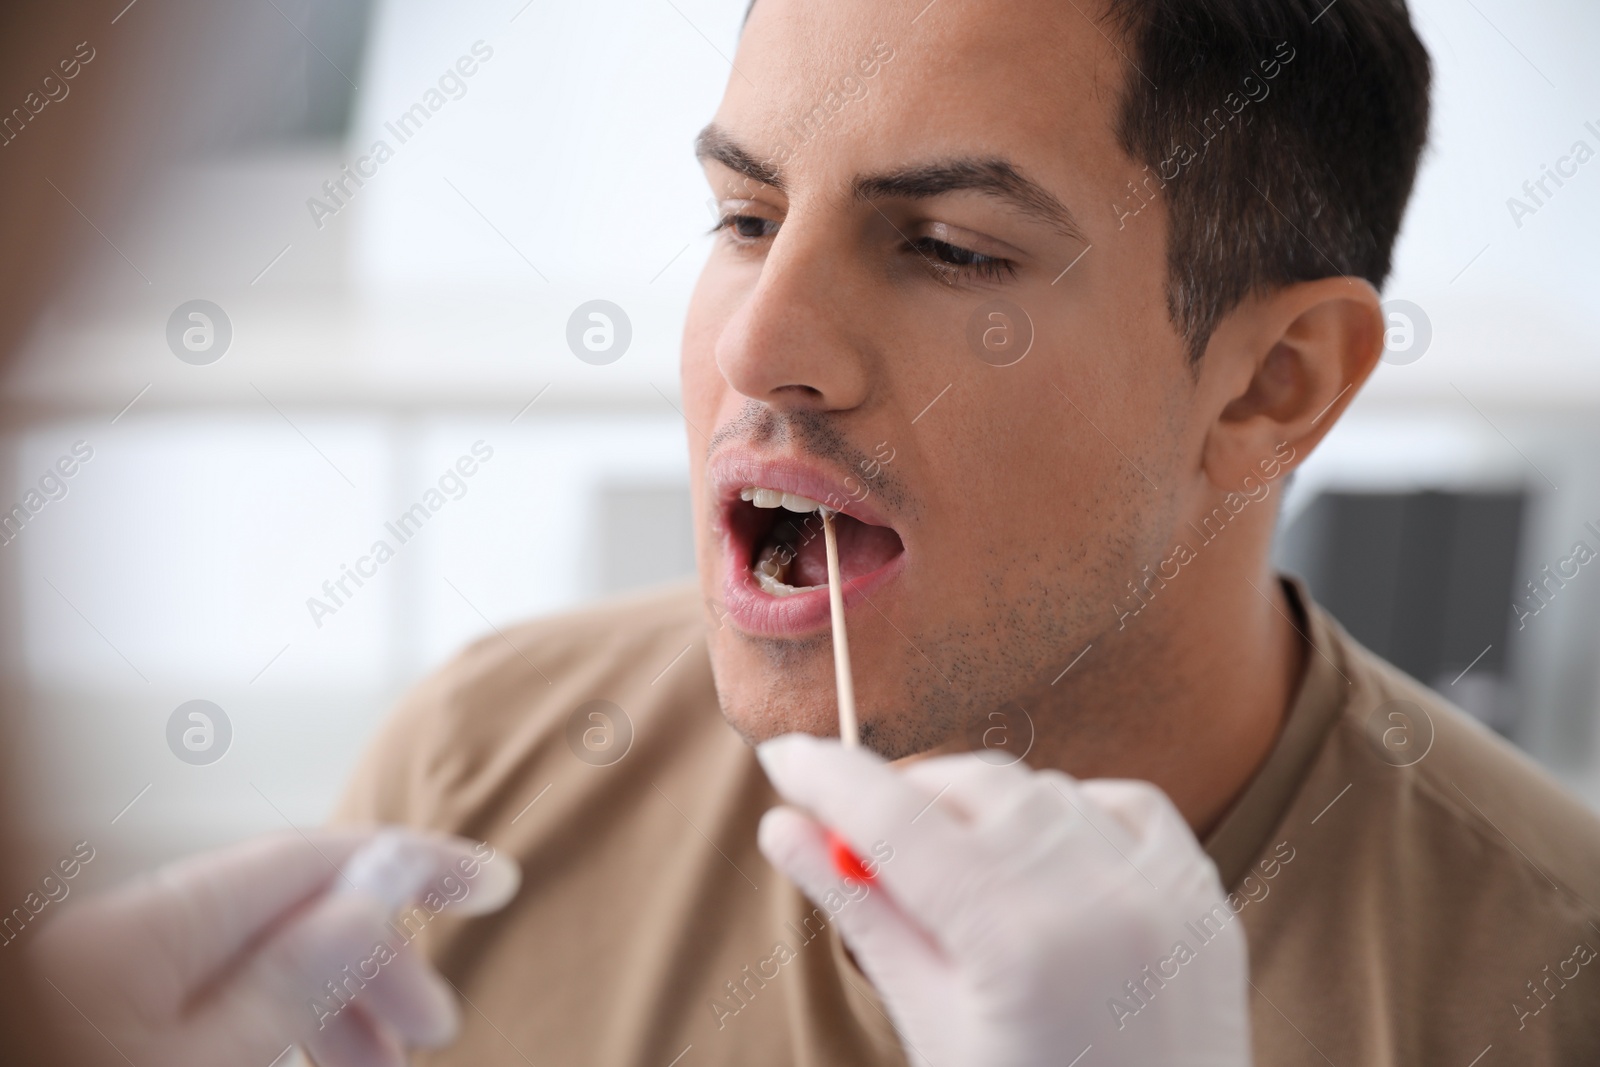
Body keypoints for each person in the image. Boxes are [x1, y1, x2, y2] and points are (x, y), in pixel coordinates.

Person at [327, 0, 1600, 1063]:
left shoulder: (1552, 985)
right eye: (747, 220)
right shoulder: (476, 774)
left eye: (945, 248)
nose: (756, 346)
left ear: (1276, 382)